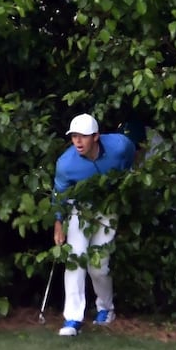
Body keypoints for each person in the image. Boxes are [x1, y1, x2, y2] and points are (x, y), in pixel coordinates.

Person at [51, 113, 135, 336]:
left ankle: (106, 309)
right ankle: (73, 319)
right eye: (74, 136)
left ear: (96, 136)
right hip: (81, 209)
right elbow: (59, 194)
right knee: (75, 258)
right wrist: (58, 222)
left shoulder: (118, 145)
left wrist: (124, 182)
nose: (77, 141)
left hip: (108, 207)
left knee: (99, 265)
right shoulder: (66, 163)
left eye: (83, 136)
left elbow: (130, 156)